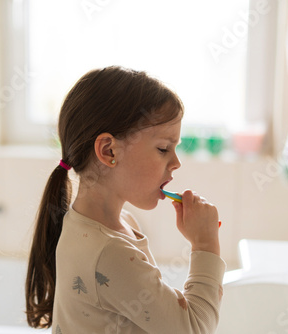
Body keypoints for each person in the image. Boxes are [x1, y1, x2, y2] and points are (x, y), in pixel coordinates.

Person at [25, 66, 226, 333]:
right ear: (109, 151)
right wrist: (205, 244)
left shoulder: (110, 224)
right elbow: (194, 330)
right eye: (163, 149)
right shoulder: (110, 252)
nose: (176, 163)